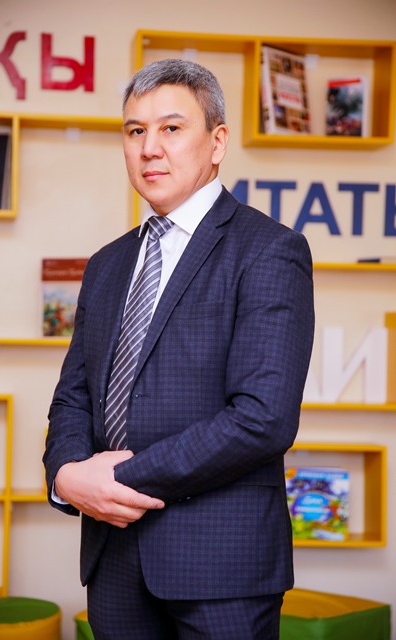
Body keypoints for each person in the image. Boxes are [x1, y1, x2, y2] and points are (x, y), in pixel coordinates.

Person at [43, 58, 314, 640]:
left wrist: (120, 478)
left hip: (221, 565)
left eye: (171, 128)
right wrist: (65, 476)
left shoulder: (270, 250)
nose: (149, 148)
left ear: (217, 143)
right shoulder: (106, 264)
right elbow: (73, 397)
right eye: (135, 130)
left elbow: (263, 418)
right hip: (113, 560)